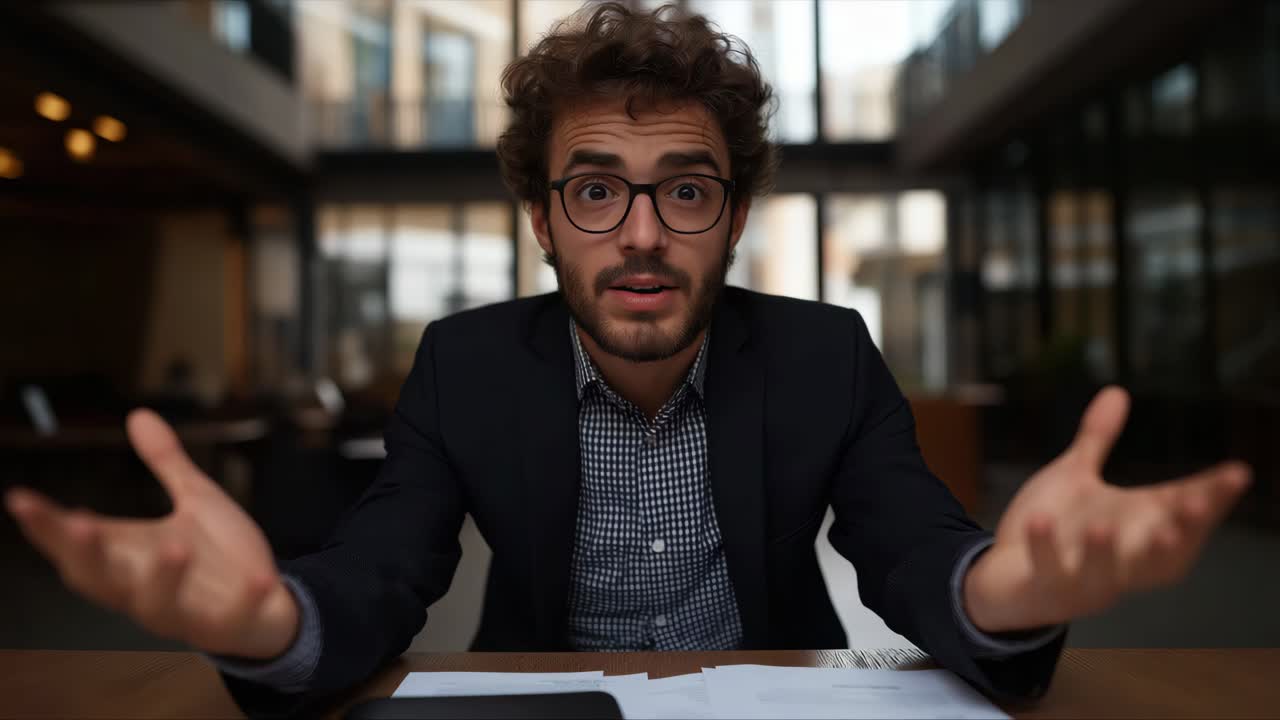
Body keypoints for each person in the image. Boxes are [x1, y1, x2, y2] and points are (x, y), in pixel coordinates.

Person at [4, 3, 1251, 717]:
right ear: (541, 219)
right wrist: (273, 619)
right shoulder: (465, 363)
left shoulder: (825, 354)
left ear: (734, 216)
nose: (643, 232)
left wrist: (1006, 592)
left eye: (685, 191)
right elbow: (387, 565)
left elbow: (916, 546)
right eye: (595, 190)